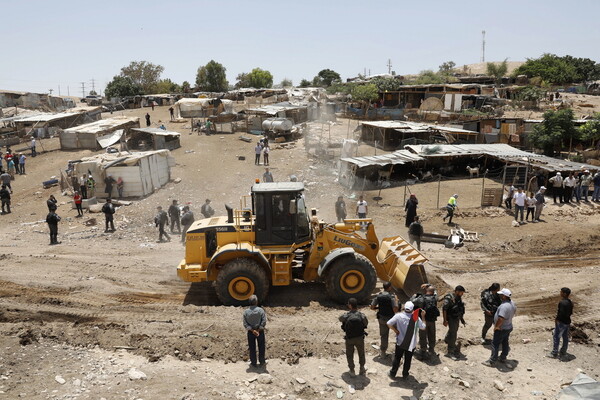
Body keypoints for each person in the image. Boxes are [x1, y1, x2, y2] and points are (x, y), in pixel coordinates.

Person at [387, 301, 426, 379]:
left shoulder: (398, 316)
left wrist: (395, 330)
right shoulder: (416, 318)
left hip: (400, 342)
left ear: (404, 308)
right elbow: (423, 327)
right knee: (408, 360)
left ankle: (392, 373)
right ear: (412, 310)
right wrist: (423, 316)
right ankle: (405, 375)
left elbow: (388, 323)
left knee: (397, 358)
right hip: (411, 344)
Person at [482, 288, 517, 367]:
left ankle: (492, 361)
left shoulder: (504, 306)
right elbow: (514, 311)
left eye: (501, 294)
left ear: (504, 296)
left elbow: (501, 318)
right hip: (508, 326)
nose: (499, 295)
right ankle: (503, 357)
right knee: (505, 342)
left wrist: (497, 327)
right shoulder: (512, 303)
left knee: (495, 344)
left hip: (502, 328)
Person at [339, 298, 368, 376]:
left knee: (349, 354)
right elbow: (366, 323)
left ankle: (352, 370)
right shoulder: (361, 315)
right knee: (361, 353)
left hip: (349, 338)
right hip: (359, 338)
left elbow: (340, 318)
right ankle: (362, 368)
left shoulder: (347, 315)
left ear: (350, 305)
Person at [370, 282, 399, 358]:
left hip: (381, 319)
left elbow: (372, 307)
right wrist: (396, 300)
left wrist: (379, 308)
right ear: (389, 287)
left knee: (384, 336)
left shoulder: (378, 296)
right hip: (391, 320)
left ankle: (383, 352)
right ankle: (399, 351)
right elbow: (395, 309)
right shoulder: (392, 297)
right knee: (399, 333)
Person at [411, 285, 439, 359]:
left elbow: (412, 302)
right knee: (432, 335)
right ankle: (431, 349)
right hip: (432, 321)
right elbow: (435, 291)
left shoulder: (421, 299)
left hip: (423, 320)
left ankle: (423, 350)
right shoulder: (435, 298)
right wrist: (428, 285)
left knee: (423, 335)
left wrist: (414, 296)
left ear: (427, 291)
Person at [547, 287, 574, 359]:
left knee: (556, 337)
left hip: (561, 322)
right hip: (567, 322)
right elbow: (571, 312)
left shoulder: (562, 302)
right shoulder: (570, 302)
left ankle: (554, 353)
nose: (560, 293)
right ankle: (563, 351)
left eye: (561, 292)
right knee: (565, 337)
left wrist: (557, 320)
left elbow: (560, 313)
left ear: (564, 294)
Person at [442, 285, 466, 360]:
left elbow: (459, 308)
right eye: (461, 292)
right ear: (457, 291)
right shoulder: (449, 298)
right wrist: (445, 320)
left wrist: (462, 319)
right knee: (453, 334)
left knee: (454, 330)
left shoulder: (458, 298)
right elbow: (444, 309)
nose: (462, 294)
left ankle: (446, 339)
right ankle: (450, 352)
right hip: (451, 318)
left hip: (456, 318)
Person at [243, 295, 267, 368]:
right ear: (256, 302)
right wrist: (258, 330)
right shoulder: (260, 310)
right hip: (260, 332)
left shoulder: (246, 312)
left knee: (252, 347)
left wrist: (253, 330)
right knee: (261, 347)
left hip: (251, 332)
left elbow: (245, 323)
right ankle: (262, 361)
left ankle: (253, 362)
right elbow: (263, 321)